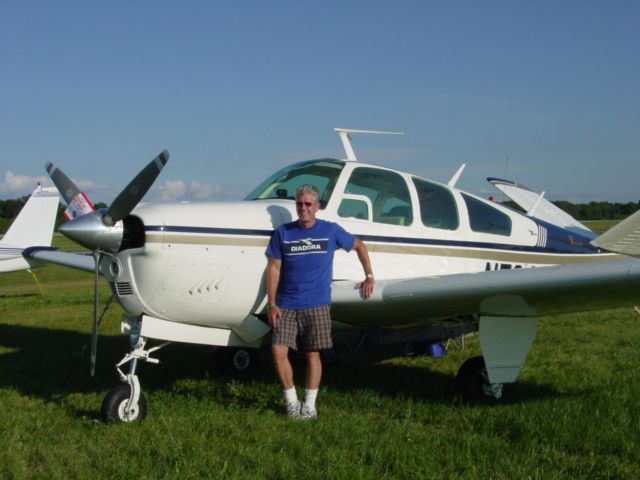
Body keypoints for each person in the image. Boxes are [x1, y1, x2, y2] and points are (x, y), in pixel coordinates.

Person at [265, 184, 375, 419]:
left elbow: (359, 245)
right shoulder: (283, 233)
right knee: (277, 351)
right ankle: (292, 403)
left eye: (307, 204)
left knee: (313, 355)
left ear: (317, 207)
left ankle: (310, 406)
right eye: (299, 204)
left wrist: (369, 276)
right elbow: (273, 268)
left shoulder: (331, 230)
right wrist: (272, 303)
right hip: (286, 303)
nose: (303, 208)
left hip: (316, 303)